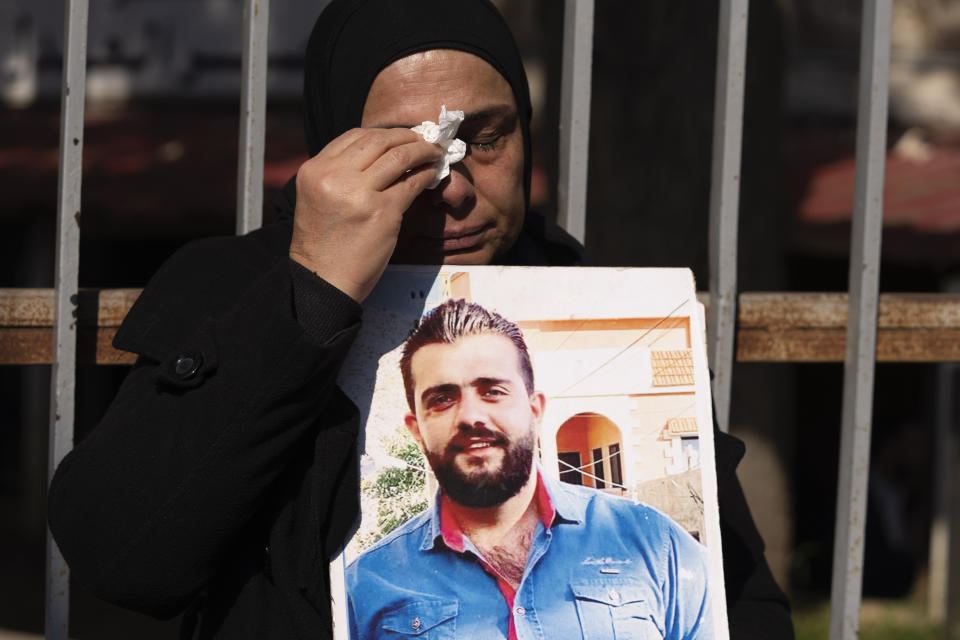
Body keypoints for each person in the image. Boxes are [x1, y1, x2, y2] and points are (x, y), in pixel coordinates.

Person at [47, 0, 792, 638]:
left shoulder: (587, 298)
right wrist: (313, 291)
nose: (453, 190)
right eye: (406, 155)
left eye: (483, 138)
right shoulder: (235, 287)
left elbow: (743, 603)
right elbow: (124, 555)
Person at [348, 298, 713, 639]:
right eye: (442, 399)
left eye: (492, 390)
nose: (471, 416)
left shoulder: (657, 546)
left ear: (535, 410)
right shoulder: (364, 587)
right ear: (416, 428)